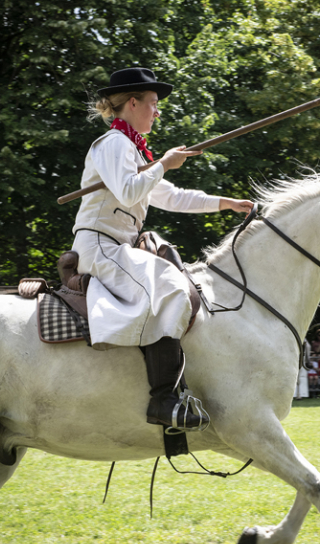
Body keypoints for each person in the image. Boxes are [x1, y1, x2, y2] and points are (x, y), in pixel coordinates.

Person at [74, 67, 253, 431]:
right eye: (153, 104)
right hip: (100, 246)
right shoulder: (112, 144)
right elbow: (128, 191)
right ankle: (164, 399)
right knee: (171, 287)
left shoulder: (133, 149)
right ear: (133, 102)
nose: (158, 111)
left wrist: (225, 203)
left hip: (115, 246)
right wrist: (165, 164)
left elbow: (170, 196)